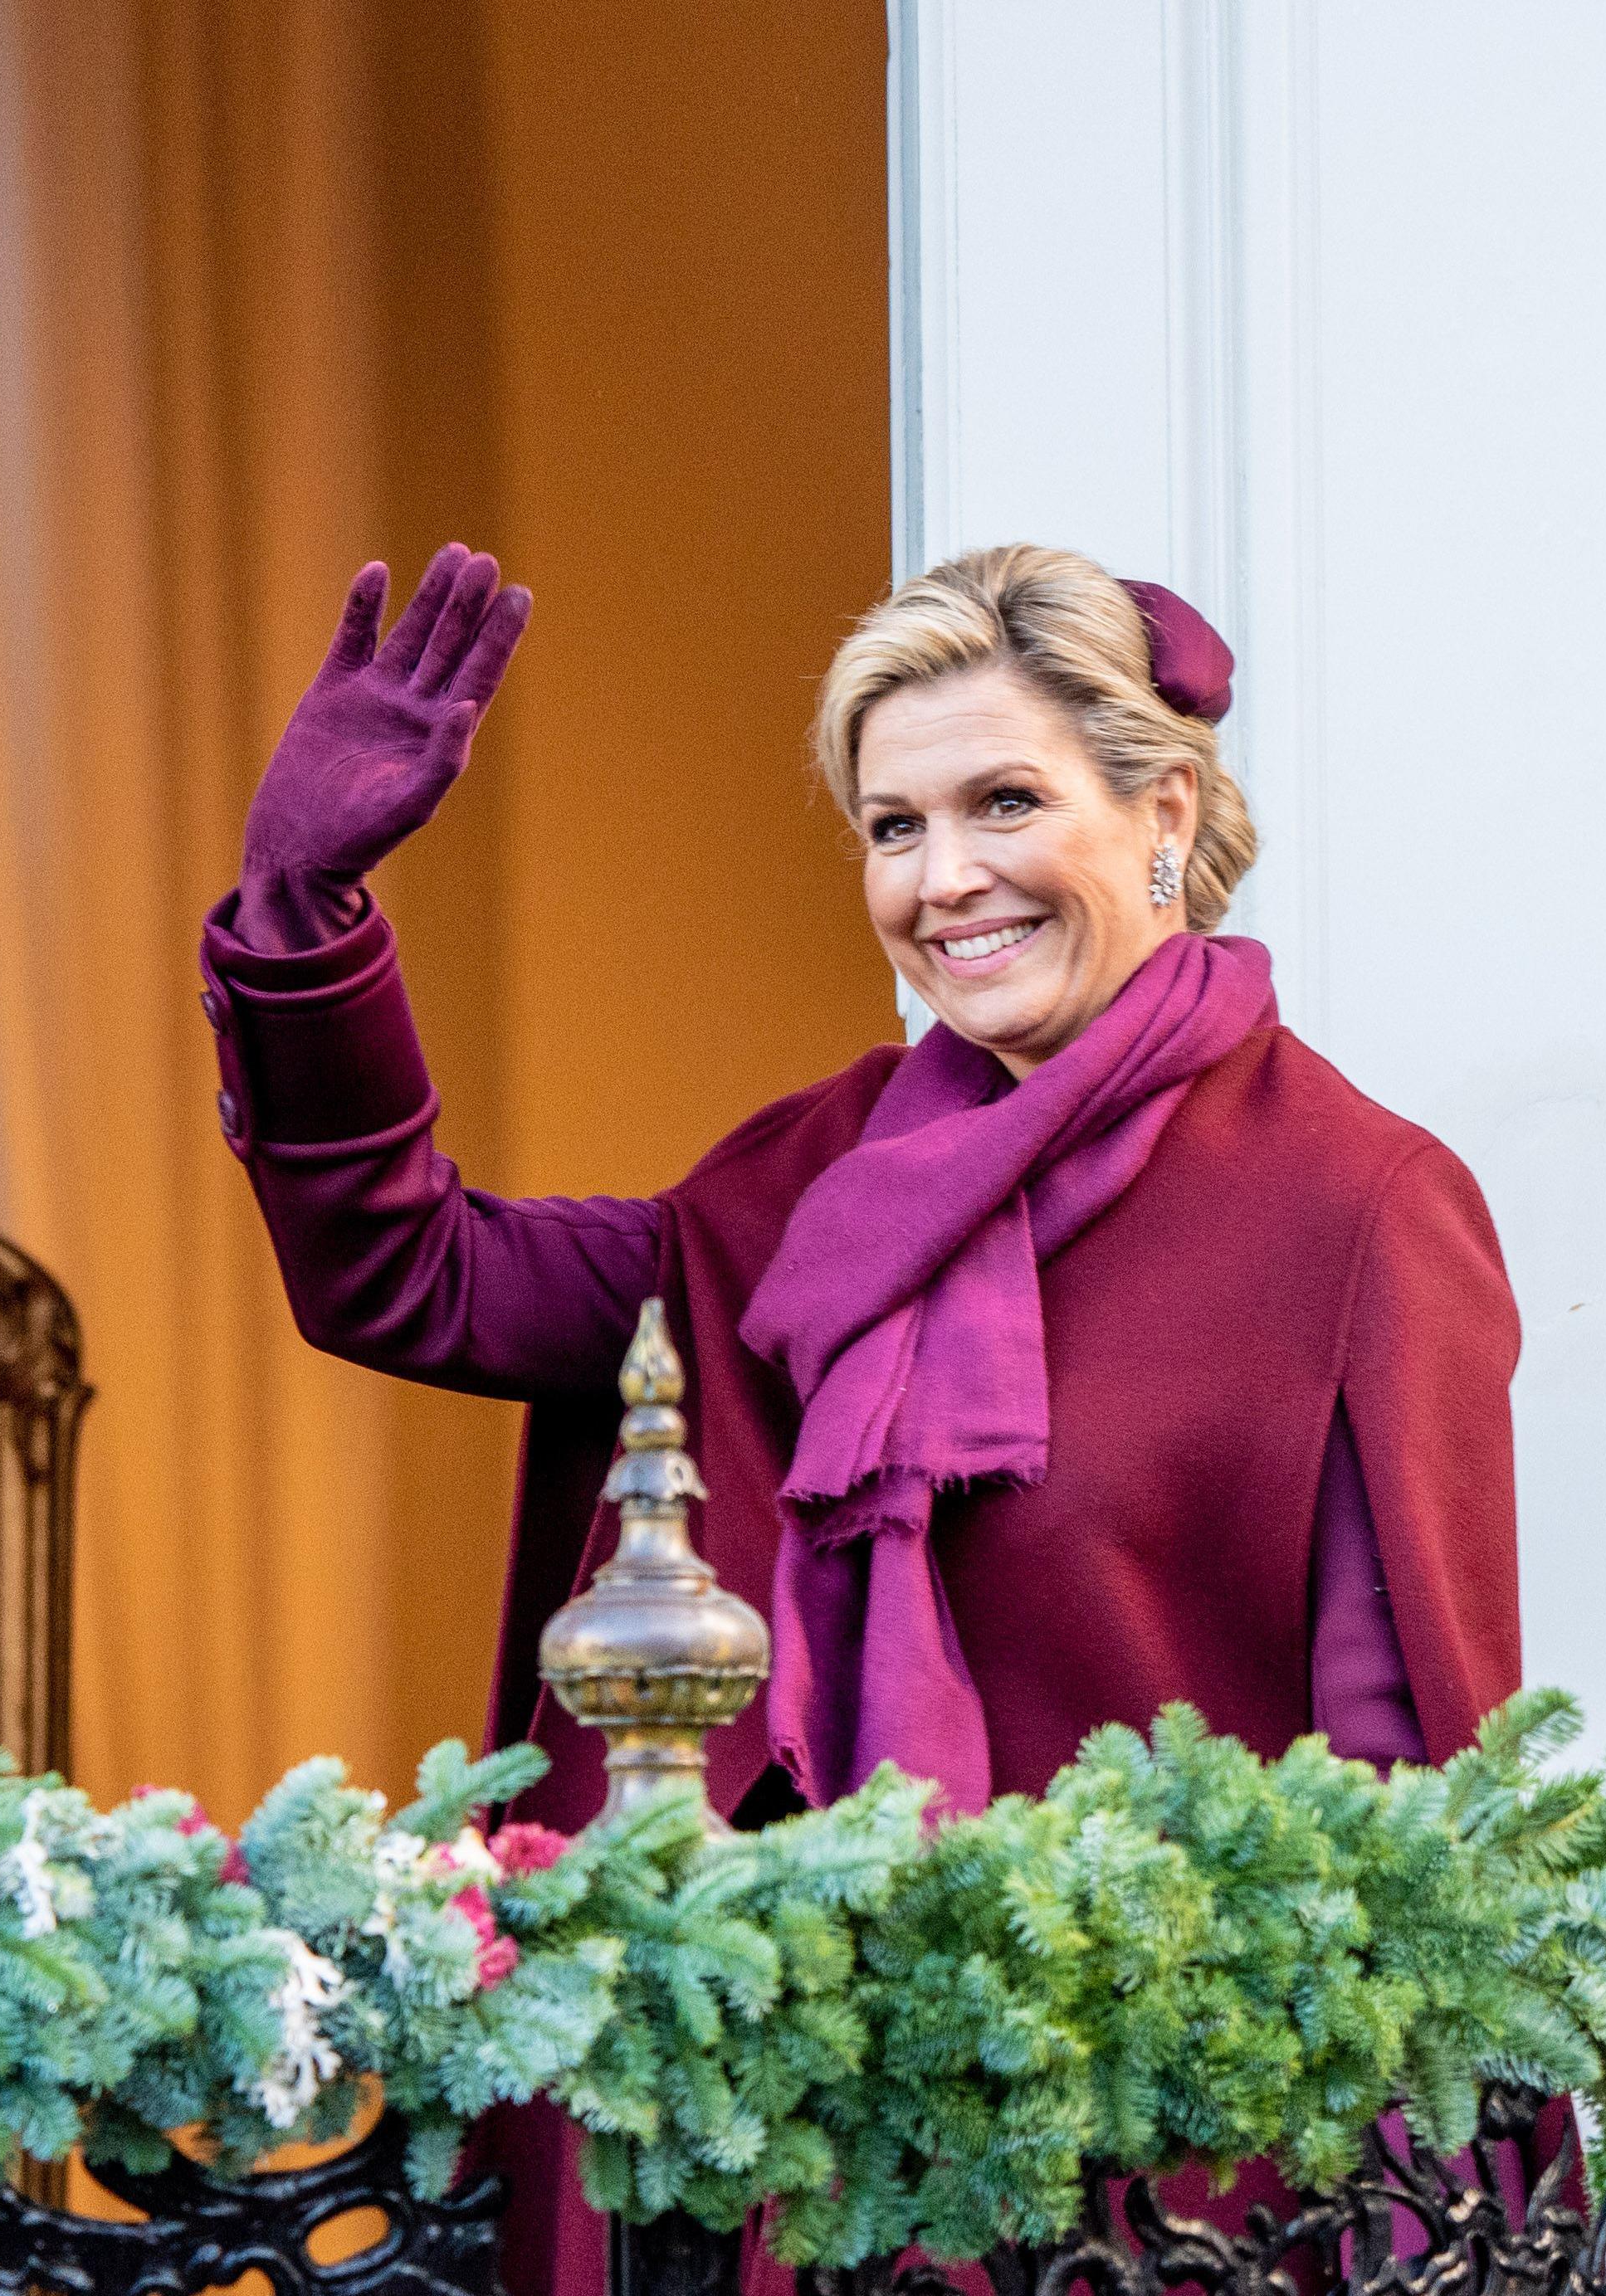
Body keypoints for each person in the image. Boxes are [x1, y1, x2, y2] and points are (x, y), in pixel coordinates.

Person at [197, 539, 1527, 2295]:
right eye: (892, 828)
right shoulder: (809, 1184)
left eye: (1002, 802)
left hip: (1153, 2200)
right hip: (778, 2183)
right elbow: (408, 1273)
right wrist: (305, 919)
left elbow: (1406, 1794)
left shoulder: (1358, 1207)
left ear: (1162, 812)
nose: (943, 878)